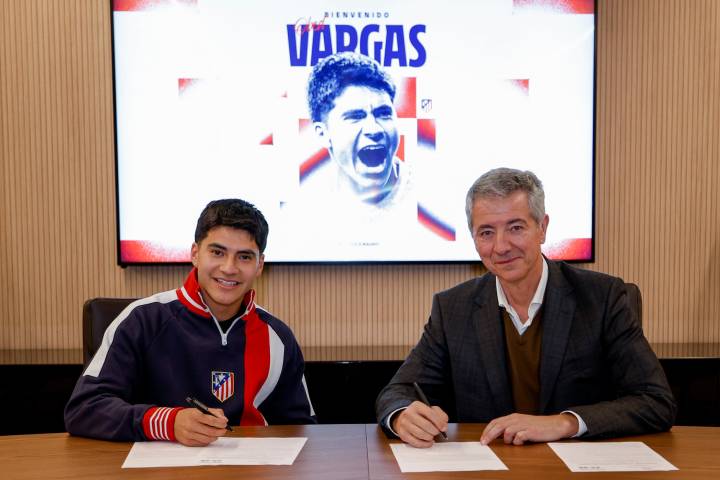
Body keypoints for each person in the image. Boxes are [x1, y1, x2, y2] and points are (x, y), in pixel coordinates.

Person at [375, 168, 676, 447]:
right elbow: (397, 392)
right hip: (489, 469)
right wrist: (402, 416)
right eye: (486, 232)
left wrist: (565, 423)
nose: (501, 246)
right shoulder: (453, 308)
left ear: (542, 228)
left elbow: (656, 402)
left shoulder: (602, 298)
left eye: (516, 228)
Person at [65, 199, 315, 446]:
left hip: (250, 465)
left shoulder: (277, 337)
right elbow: (84, 409)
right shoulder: (141, 320)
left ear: (259, 265)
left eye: (244, 257)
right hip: (160, 466)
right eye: (217, 252)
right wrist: (168, 422)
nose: (229, 268)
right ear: (195, 254)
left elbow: (302, 428)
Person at [307, 51, 403, 207]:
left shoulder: (429, 196)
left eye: (384, 114)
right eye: (355, 116)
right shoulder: (308, 205)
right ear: (323, 133)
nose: (374, 129)